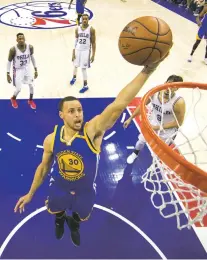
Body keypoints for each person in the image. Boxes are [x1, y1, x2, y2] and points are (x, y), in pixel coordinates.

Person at [14, 54, 168, 247]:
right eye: (72, 111)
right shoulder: (51, 139)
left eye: (80, 110)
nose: (78, 114)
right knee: (57, 210)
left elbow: (117, 105)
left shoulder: (92, 132)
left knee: (80, 215)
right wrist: (30, 194)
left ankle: (74, 225)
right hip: (59, 186)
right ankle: (61, 219)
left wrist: (148, 70)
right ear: (61, 115)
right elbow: (43, 168)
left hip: (85, 191)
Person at [124, 75, 185, 164]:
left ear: (177, 89)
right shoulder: (154, 92)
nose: (169, 88)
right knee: (140, 142)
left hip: (167, 131)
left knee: (160, 151)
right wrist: (130, 118)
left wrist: (157, 127)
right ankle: (135, 153)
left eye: (173, 86)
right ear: (165, 83)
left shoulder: (179, 102)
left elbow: (179, 122)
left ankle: (156, 162)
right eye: (169, 83)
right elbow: (142, 105)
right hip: (152, 123)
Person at [7, 33, 38, 109]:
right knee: (18, 89)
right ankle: (13, 98)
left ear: (24, 39)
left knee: (32, 86)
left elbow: (32, 57)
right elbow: (9, 61)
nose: (21, 40)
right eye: (19, 38)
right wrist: (8, 74)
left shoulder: (30, 47)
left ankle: (30, 100)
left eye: (22, 38)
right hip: (18, 70)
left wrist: (35, 69)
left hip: (27, 68)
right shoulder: (13, 49)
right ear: (17, 40)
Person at [70, 14, 95, 93]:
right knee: (75, 65)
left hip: (86, 51)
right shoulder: (77, 29)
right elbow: (75, 41)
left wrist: (93, 55)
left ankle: (85, 85)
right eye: (83, 19)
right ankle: (74, 78)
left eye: (86, 19)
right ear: (81, 20)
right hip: (78, 49)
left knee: (83, 68)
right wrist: (73, 52)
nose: (84, 20)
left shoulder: (91, 29)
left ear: (88, 20)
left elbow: (93, 43)